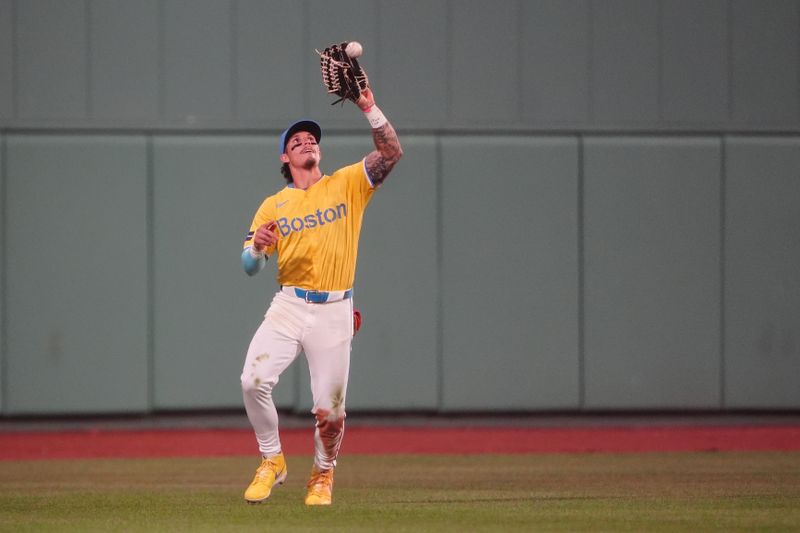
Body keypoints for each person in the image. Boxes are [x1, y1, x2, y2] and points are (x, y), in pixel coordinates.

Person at [239, 86, 402, 506]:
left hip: (335, 310)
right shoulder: (274, 204)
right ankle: (272, 460)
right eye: (296, 141)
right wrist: (256, 247)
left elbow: (391, 154)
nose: (306, 143)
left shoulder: (347, 183)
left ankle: (322, 474)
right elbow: (249, 266)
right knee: (252, 380)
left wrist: (367, 105)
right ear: (284, 158)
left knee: (330, 414)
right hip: (289, 306)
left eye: (311, 139)